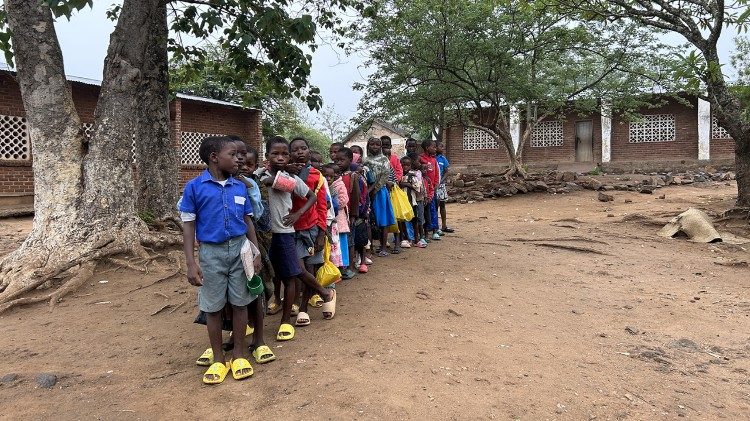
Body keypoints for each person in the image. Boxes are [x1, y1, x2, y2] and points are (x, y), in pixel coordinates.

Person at [180, 136, 261, 384]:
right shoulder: (194, 187)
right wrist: (191, 263)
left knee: (240, 302)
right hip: (211, 253)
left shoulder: (240, 187)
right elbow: (188, 224)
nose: (239, 158)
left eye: (240, 154)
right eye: (233, 154)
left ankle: (238, 353)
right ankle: (218, 359)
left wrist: (255, 251)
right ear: (214, 157)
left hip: (240, 250)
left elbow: (248, 221)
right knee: (212, 306)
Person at [259, 136, 336, 342]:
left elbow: (312, 197)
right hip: (264, 236)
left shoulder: (291, 178)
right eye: (275, 153)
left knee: (292, 274)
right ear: (266, 156)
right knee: (268, 275)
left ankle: (286, 320)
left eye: (284, 153)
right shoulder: (258, 175)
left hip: (286, 233)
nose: (281, 157)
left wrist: (298, 214)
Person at [287, 137, 332, 326]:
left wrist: (322, 233)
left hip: (312, 228)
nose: (299, 152)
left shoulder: (317, 176)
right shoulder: (284, 174)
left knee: (311, 268)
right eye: (295, 149)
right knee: (299, 268)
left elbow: (322, 206)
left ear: (308, 151)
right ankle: (325, 292)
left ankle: (303, 308)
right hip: (291, 229)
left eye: (303, 148)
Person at [363, 137, 396, 257]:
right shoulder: (365, 160)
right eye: (372, 144)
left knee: (383, 220)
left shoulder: (384, 160)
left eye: (377, 145)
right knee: (370, 220)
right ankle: (370, 247)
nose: (374, 147)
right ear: (368, 145)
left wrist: (374, 190)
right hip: (367, 193)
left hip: (380, 192)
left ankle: (383, 247)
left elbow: (384, 176)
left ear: (381, 147)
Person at [400, 156, 427, 248]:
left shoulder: (412, 175)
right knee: (404, 221)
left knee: (414, 220)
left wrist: (405, 184)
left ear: (410, 166)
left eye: (408, 165)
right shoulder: (399, 175)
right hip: (402, 203)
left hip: (412, 202)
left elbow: (417, 186)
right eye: (403, 165)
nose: (405, 167)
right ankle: (408, 239)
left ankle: (416, 239)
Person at [419, 139, 441, 241]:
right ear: (427, 148)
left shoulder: (434, 160)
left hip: (432, 190)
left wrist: (435, 186)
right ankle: (425, 231)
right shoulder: (420, 159)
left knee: (434, 210)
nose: (435, 148)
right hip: (423, 190)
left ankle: (435, 230)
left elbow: (437, 174)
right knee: (424, 211)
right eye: (433, 147)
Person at [434, 145, 454, 233]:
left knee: (442, 205)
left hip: (441, 185)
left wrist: (440, 181)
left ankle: (444, 226)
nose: (443, 148)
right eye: (440, 147)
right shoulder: (432, 158)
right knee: (434, 207)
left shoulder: (443, 159)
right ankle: (435, 227)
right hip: (433, 186)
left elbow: (447, 172)